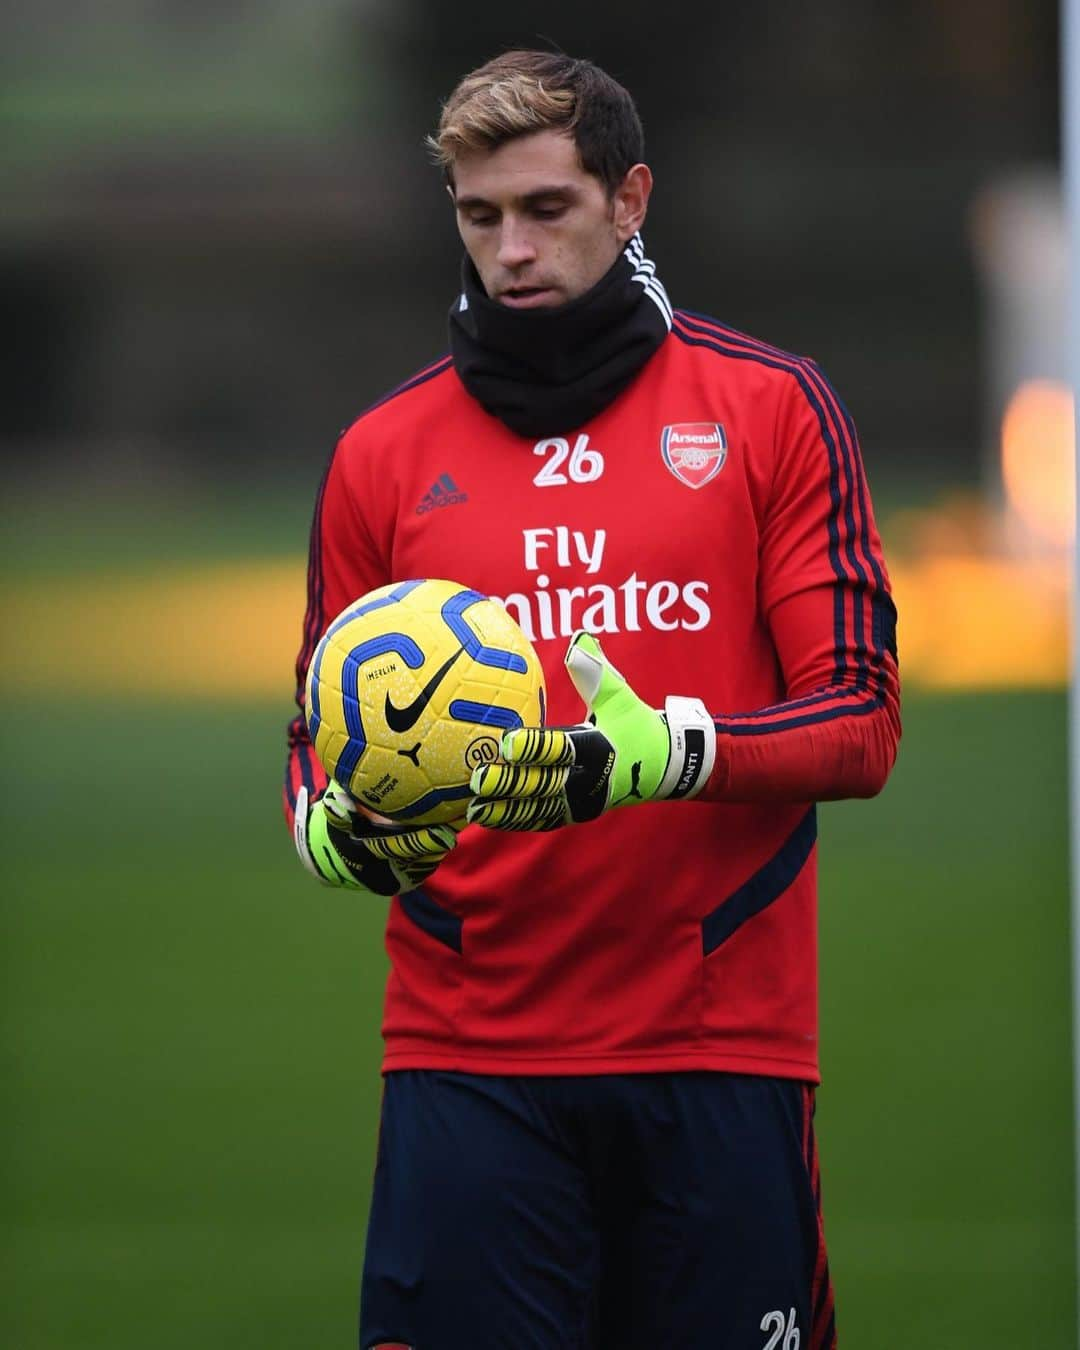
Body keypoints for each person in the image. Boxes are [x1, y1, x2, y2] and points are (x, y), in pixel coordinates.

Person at [284, 49, 900, 1350]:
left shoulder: (772, 410)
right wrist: (331, 827)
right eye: (479, 214)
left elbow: (859, 718)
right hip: (468, 1054)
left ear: (631, 202)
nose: (510, 247)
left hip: (717, 1046)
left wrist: (668, 752)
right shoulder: (379, 455)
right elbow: (315, 736)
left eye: (547, 208)